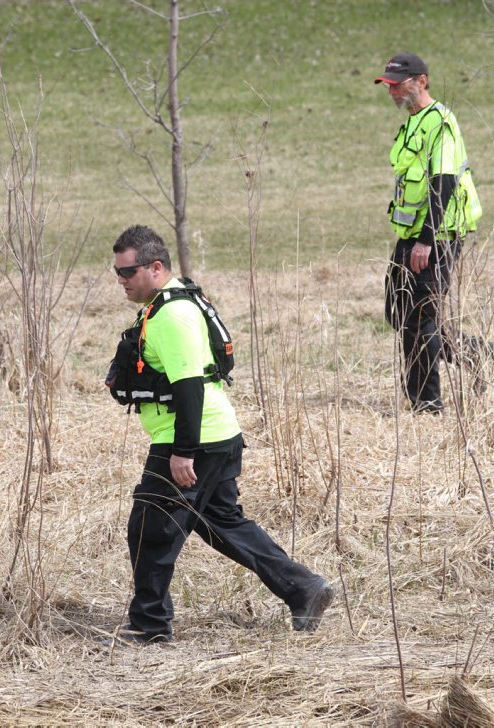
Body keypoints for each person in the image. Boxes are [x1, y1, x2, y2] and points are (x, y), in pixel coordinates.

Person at [106, 224, 335, 645]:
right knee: (223, 524)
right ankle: (304, 589)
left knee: (150, 530)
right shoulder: (172, 303)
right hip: (217, 434)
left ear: (156, 268)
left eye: (127, 272)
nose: (120, 280)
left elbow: (189, 385)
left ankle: (148, 626)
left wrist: (182, 452)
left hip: (193, 440)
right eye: (117, 272)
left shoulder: (172, 315)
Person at [375, 53, 482, 413]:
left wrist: (426, 240)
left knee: (419, 316)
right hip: (413, 233)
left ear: (421, 81)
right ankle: (476, 354)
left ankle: (427, 402)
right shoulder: (412, 123)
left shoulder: (441, 122)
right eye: (388, 85)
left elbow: (444, 182)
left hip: (436, 235)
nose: (392, 92)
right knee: (397, 309)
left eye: (398, 84)